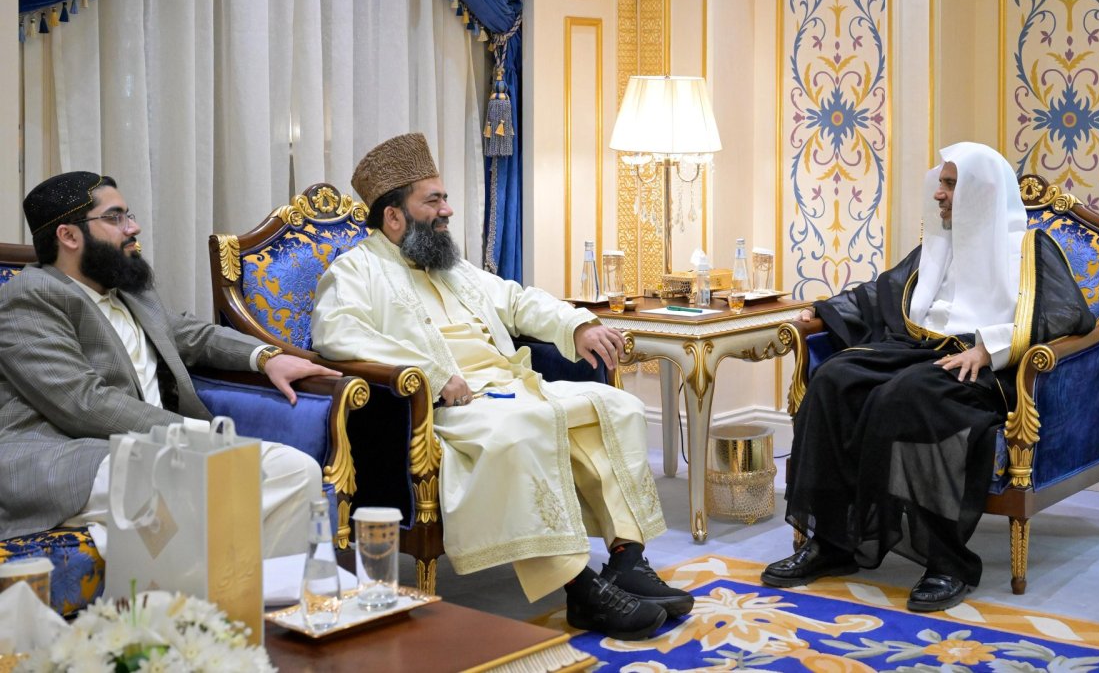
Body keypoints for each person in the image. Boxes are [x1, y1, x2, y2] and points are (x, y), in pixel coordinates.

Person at [311, 133, 691, 641]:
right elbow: (337, 334)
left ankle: (626, 560)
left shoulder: (452, 267)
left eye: (445, 197)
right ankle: (581, 591)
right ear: (393, 217)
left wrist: (576, 325)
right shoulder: (355, 271)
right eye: (433, 200)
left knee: (616, 405)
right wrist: (429, 371)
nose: (447, 210)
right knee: (526, 428)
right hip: (445, 406)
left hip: (513, 386)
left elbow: (518, 301)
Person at [761, 142, 1095, 612]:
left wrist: (990, 346)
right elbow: (880, 295)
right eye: (940, 182)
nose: (939, 194)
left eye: (951, 184)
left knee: (908, 397)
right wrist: (818, 313)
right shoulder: (939, 244)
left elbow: (1068, 315)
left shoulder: (1029, 249)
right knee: (835, 380)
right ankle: (830, 543)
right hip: (915, 349)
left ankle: (946, 562)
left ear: (981, 191)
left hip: (976, 365)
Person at [0, 172, 341, 557]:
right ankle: (203, 608)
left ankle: (265, 606)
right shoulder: (30, 296)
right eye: (115, 218)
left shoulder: (127, 287)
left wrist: (266, 358)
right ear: (69, 236)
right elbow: (82, 402)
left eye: (129, 215)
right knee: (207, 484)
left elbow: (190, 333)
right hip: (70, 457)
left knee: (299, 470)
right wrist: (196, 434)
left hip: (153, 449)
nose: (134, 227)